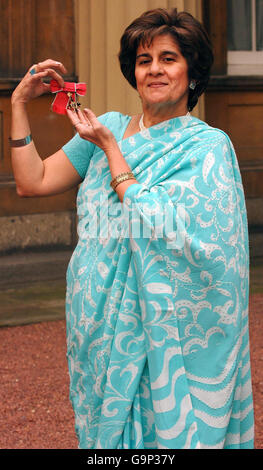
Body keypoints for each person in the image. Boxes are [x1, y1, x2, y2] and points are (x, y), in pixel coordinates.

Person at [10, 8, 254, 449]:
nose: (155, 69)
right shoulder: (112, 127)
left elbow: (191, 242)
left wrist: (110, 149)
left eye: (168, 58)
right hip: (95, 318)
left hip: (157, 326)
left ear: (192, 73)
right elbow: (33, 182)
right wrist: (18, 105)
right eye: (145, 61)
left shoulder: (206, 146)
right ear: (133, 72)